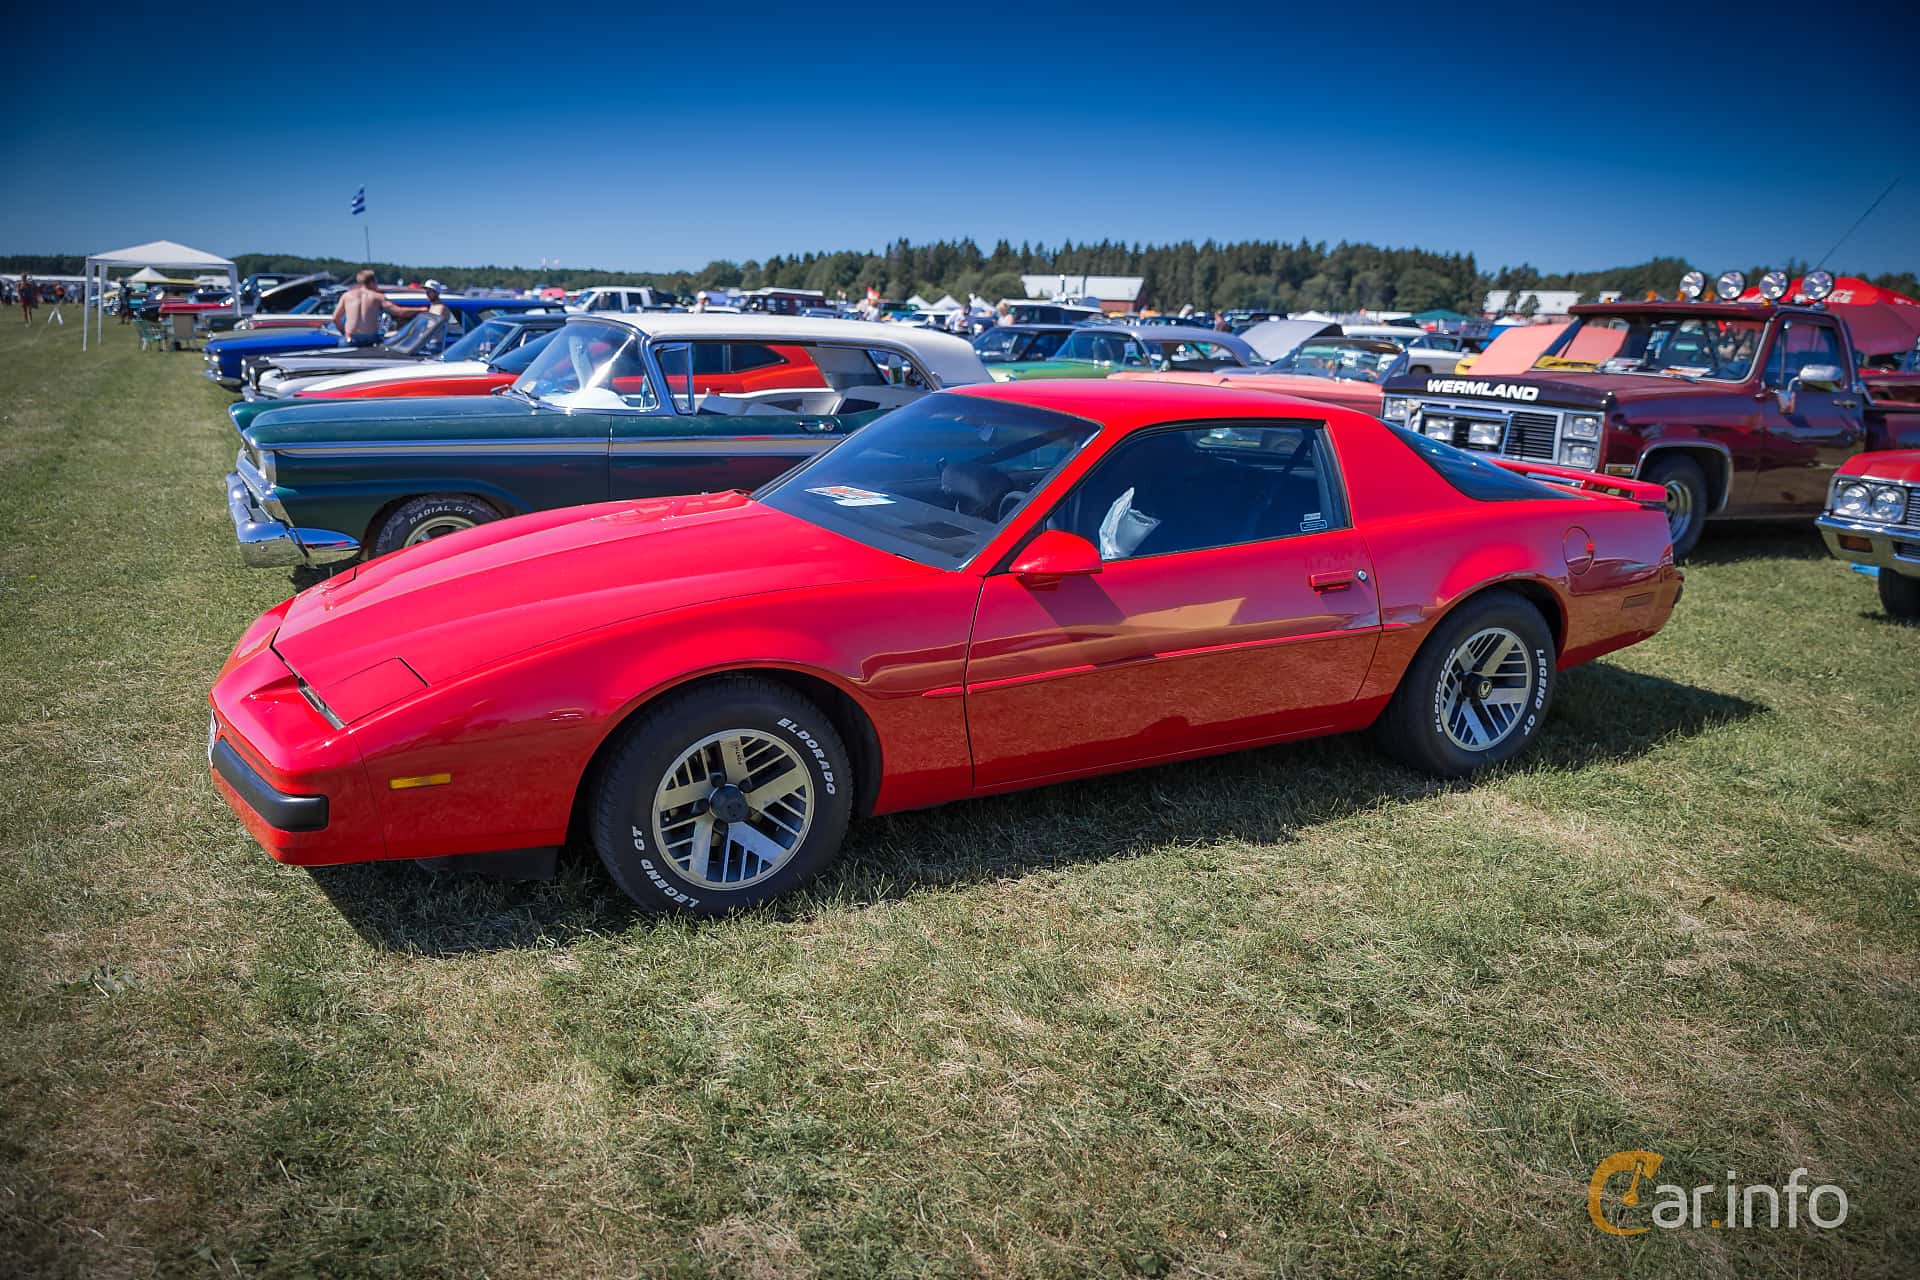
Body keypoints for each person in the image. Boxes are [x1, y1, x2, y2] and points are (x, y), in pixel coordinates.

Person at [331, 269, 419, 347]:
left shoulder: (347, 296)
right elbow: (399, 312)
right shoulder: (377, 297)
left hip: (350, 338)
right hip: (370, 339)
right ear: (371, 282)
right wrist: (421, 309)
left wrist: (344, 332)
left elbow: (335, 318)